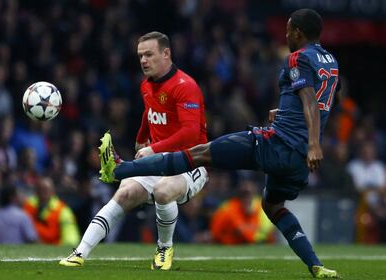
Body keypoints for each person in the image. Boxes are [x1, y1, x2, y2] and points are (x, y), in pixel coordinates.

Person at [98, 9, 340, 278]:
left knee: (198, 153)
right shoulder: (329, 61)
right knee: (273, 206)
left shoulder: (297, 56)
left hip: (277, 144)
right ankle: (316, 265)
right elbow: (322, 101)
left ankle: (120, 169)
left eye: (288, 30)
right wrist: (288, 118)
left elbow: (308, 98)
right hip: (297, 160)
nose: (285, 35)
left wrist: (314, 143)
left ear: (298, 32)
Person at [60, 31, 209, 270]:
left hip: (191, 161)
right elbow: (149, 114)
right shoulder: (147, 85)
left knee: (163, 191)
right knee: (124, 193)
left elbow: (191, 133)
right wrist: (141, 139)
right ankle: (79, 253)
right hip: (159, 161)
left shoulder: (185, 86)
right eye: (140, 55)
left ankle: (164, 248)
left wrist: (153, 149)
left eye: (149, 54)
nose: (143, 61)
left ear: (166, 53)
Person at [210, 178, 275, 244]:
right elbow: (215, 232)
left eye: (248, 194)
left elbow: (264, 233)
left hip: (261, 245)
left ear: (253, 194)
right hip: (228, 245)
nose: (246, 198)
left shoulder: (262, 208)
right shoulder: (229, 208)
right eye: (243, 194)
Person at [23, 176, 80, 245]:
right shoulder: (28, 205)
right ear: (36, 190)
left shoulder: (63, 210)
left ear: (53, 191)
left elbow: (71, 240)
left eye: (46, 189)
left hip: (54, 248)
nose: (43, 192)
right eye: (40, 189)